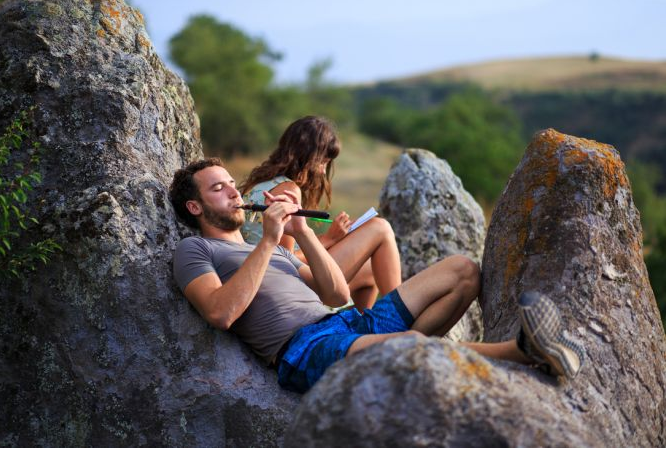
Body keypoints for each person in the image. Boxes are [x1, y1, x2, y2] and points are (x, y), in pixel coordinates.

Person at [169, 158, 586, 394]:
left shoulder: (277, 250)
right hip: (304, 348)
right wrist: (267, 241)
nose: (234, 192)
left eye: (231, 183)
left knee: (462, 271)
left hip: (345, 323)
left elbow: (335, 294)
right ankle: (526, 352)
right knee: (406, 345)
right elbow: (221, 313)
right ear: (195, 207)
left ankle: (417, 361)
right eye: (218, 189)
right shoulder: (195, 251)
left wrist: (301, 233)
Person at [238, 116, 400, 311]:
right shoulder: (287, 189)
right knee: (380, 228)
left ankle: (360, 324)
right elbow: (285, 259)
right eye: (322, 162)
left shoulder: (260, 184)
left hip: (269, 280)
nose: (323, 171)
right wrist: (330, 239)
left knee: (369, 270)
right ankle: (400, 314)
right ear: (305, 155)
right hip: (284, 285)